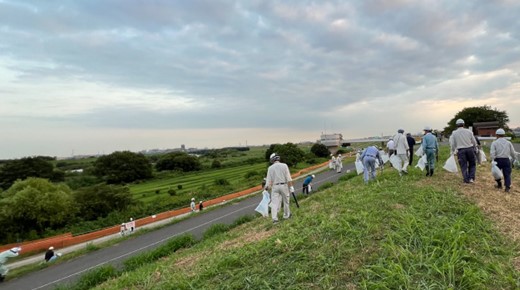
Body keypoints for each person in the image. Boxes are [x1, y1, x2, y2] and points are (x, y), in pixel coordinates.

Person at [264, 153, 294, 224]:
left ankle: (275, 219)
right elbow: (288, 178)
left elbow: (268, 181)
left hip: (275, 187)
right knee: (286, 202)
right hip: (284, 186)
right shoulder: (284, 165)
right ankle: (286, 215)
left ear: (272, 160)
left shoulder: (270, 168)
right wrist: (291, 187)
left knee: (274, 203)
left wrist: (266, 189)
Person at [449, 118, 478, 184]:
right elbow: (474, 141)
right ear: (463, 124)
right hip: (470, 149)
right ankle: (471, 178)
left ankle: (466, 179)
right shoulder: (469, 131)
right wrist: (475, 147)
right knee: (472, 164)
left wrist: (452, 151)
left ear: (457, 125)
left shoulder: (454, 133)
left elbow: (453, 144)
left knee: (463, 165)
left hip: (461, 151)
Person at [490, 128, 517, 193]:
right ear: (504, 135)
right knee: (507, 174)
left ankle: (499, 185)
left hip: (498, 160)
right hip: (506, 160)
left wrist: (492, 159)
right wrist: (514, 158)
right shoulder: (508, 142)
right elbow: (512, 152)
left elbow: (492, 153)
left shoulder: (494, 143)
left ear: (496, 135)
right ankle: (507, 188)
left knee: (496, 173)